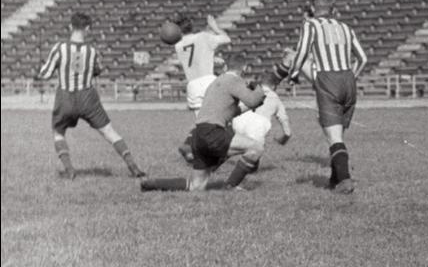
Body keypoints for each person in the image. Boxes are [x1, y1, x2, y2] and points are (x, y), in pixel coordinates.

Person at [36, 12, 147, 180]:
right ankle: (134, 167)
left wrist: (39, 71)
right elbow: (97, 70)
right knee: (109, 132)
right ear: (88, 28)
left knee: (58, 132)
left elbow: (45, 73)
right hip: (88, 97)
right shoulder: (93, 51)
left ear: (70, 27)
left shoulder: (59, 48)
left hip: (66, 96)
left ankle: (70, 170)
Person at [140, 54, 267, 192]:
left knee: (196, 186)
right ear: (245, 68)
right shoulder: (235, 80)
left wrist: (257, 100)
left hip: (199, 134)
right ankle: (230, 186)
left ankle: (151, 184)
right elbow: (253, 100)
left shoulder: (218, 82)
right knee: (256, 148)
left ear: (226, 66)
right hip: (213, 132)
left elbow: (231, 112)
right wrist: (259, 89)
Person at [286, 0, 368, 194]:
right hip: (348, 80)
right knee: (337, 135)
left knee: (334, 137)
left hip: (328, 81)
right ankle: (334, 179)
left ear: (313, 9)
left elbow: (302, 51)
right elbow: (363, 58)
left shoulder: (311, 25)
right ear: (333, 9)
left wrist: (293, 74)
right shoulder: (346, 28)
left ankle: (345, 180)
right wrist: (352, 77)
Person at [172, 13, 231, 162]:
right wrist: (215, 27)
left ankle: (192, 149)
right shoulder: (204, 37)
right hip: (209, 82)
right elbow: (227, 39)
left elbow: (195, 57)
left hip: (192, 85)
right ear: (192, 26)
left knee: (202, 125)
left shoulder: (178, 45)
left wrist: (211, 58)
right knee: (224, 118)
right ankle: (219, 154)